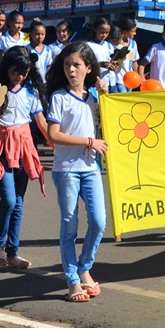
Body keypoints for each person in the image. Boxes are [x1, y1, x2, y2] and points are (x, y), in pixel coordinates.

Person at [44, 41, 108, 303]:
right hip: (67, 170)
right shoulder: (59, 97)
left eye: (77, 65)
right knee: (69, 226)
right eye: (68, 65)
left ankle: (84, 266)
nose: (71, 70)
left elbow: (110, 120)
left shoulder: (93, 96)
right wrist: (89, 142)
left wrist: (106, 93)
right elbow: (53, 134)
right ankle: (72, 280)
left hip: (91, 168)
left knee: (99, 221)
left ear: (88, 68)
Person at [0, 46, 48, 268]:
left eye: (24, 72)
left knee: (18, 202)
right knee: (8, 199)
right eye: (16, 71)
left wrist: (56, 141)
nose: (20, 76)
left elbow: (41, 122)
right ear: (6, 68)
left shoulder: (31, 92)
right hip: (2, 148)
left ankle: (12, 252)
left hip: (25, 148)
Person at [139, 21, 165, 88]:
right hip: (155, 89)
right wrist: (142, 79)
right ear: (163, 34)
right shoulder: (156, 48)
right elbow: (142, 65)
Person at [85, 16, 116, 86]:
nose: (104, 35)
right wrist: (99, 64)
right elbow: (85, 64)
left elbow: (112, 60)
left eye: (107, 32)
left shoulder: (109, 45)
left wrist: (114, 65)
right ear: (95, 29)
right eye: (102, 32)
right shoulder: (88, 45)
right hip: (97, 82)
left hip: (111, 81)